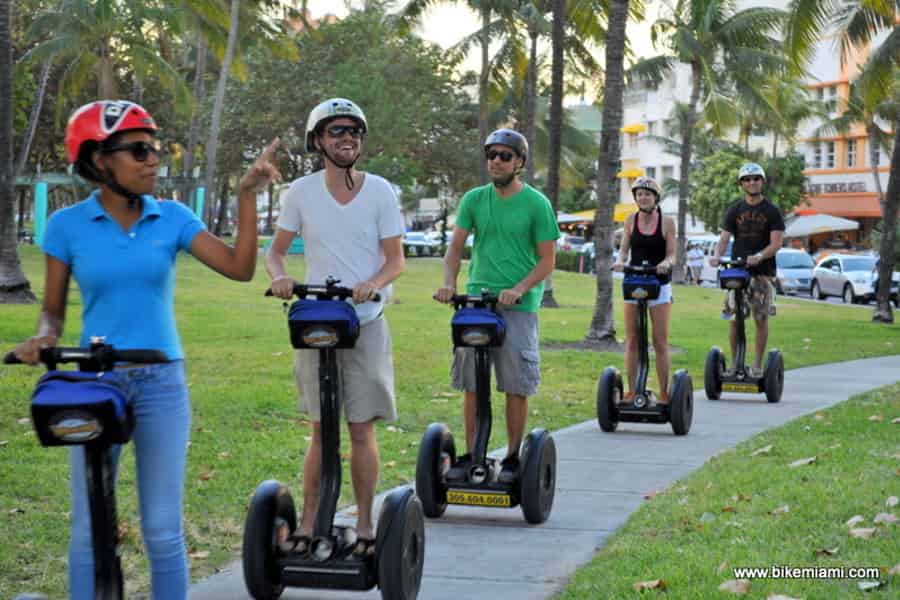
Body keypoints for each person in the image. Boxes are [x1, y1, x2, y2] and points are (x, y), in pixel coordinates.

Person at [12, 100, 280, 600]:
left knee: (161, 528)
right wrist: (45, 337)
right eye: (138, 150)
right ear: (98, 160)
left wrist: (246, 196)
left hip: (161, 382)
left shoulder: (172, 217)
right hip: (92, 383)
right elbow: (52, 310)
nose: (152, 160)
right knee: (90, 524)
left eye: (155, 149)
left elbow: (240, 268)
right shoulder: (67, 227)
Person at [265, 98, 405, 556]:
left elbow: (395, 259)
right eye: (338, 132)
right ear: (318, 140)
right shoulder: (301, 193)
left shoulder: (381, 191)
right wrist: (280, 278)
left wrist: (373, 283)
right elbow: (276, 252)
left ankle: (365, 526)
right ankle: (308, 523)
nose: (348, 139)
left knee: (361, 429)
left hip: (364, 322)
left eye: (355, 133)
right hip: (317, 322)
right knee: (321, 429)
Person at [434, 128, 558, 483]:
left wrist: (518, 288)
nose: (496, 162)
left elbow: (547, 260)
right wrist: (448, 283)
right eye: (491, 155)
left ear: (519, 162)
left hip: (517, 307)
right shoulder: (474, 199)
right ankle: (474, 455)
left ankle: (513, 457)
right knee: (473, 384)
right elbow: (456, 248)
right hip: (476, 303)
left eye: (505, 156)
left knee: (515, 384)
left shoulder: (536, 204)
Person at [710, 162, 785, 376]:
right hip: (737, 272)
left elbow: (777, 243)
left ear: (762, 182)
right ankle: (735, 365)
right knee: (734, 319)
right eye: (747, 179)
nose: (752, 183)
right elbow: (724, 238)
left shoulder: (772, 211)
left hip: (762, 272)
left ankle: (757, 365)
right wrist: (716, 255)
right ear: (742, 184)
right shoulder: (735, 209)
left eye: (755, 179)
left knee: (760, 318)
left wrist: (760, 256)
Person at [612, 177, 677, 404]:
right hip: (634, 282)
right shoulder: (630, 220)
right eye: (639, 194)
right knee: (632, 340)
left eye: (647, 194)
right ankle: (631, 392)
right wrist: (620, 261)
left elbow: (671, 254)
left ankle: (665, 394)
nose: (643, 197)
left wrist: (666, 264)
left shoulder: (667, 223)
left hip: (659, 285)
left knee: (659, 340)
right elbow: (623, 251)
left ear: (656, 197)